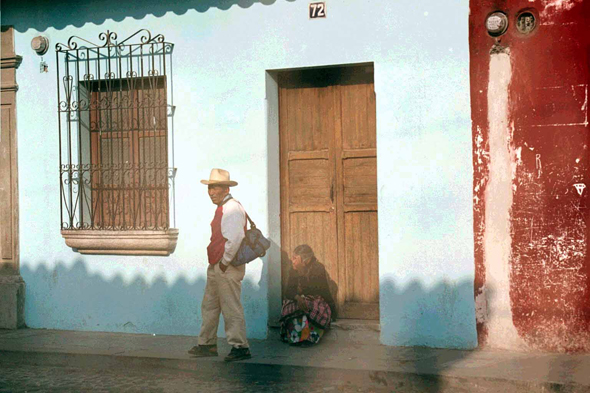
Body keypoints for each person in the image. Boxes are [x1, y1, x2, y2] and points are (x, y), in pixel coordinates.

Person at [188, 168, 252, 362]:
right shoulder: (224, 207)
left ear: (226, 189)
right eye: (210, 188)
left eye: (215, 188)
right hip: (218, 265)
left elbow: (235, 238)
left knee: (230, 307)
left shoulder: (231, 208)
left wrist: (224, 264)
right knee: (210, 305)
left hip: (227, 266)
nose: (211, 192)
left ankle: (240, 347)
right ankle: (207, 344)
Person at [280, 244, 336, 346]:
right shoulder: (293, 269)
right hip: (298, 299)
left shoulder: (318, 268)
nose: (293, 261)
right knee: (291, 306)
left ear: (306, 260)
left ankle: (309, 337)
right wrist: (297, 297)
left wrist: (332, 309)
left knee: (308, 306)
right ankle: (295, 336)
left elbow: (323, 291)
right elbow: (288, 292)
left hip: (314, 300)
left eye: (295, 258)